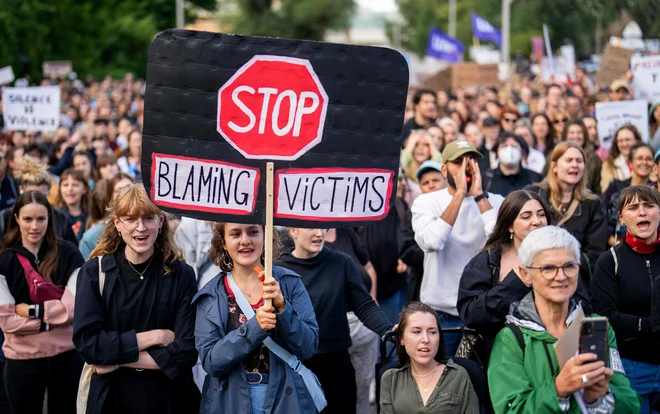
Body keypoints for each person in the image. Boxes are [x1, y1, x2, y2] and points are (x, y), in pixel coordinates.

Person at [73, 183, 200, 413]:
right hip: (112, 398)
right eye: (130, 219)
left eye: (149, 218)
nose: (140, 227)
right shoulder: (94, 272)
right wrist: (155, 336)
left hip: (168, 398)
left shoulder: (181, 274)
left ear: (161, 222)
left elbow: (185, 351)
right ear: (117, 224)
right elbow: (89, 345)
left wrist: (115, 359)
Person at [487, 226, 640, 413]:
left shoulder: (595, 327)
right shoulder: (511, 339)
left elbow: (630, 404)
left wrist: (598, 398)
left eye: (569, 266)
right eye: (548, 268)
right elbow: (510, 410)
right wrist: (558, 389)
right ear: (526, 274)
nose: (561, 277)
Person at [194, 222, 319, 414]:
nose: (245, 241)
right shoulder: (211, 294)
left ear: (265, 237)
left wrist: (283, 308)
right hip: (230, 402)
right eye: (235, 234)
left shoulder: (289, 284)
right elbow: (211, 362)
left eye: (253, 232)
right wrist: (254, 328)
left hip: (285, 398)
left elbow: (308, 346)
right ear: (224, 243)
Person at [458, 190, 591, 363]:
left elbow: (584, 308)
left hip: (557, 356)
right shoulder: (487, 260)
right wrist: (516, 282)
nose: (536, 221)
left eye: (541, 215)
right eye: (526, 216)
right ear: (510, 226)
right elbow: (471, 315)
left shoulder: (564, 257)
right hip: (502, 360)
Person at [276, 227, 392, 414]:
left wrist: (389, 331)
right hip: (296, 365)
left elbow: (363, 305)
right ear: (293, 230)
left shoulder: (341, 262)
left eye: (324, 227)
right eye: (312, 227)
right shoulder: (279, 270)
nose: (320, 233)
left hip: (337, 363)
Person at [412, 140, 504, 356]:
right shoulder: (426, 202)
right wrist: (460, 195)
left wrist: (479, 196)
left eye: (472, 160)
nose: (467, 166)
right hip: (441, 313)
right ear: (444, 169)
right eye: (459, 161)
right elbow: (433, 242)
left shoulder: (496, 202)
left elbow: (501, 244)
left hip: (483, 311)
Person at [0, 191, 85, 413]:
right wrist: (55, 319)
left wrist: (31, 311)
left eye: (41, 219)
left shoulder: (69, 254)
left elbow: (73, 310)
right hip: (22, 360)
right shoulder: (4, 261)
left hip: (66, 357)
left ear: (50, 218)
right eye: (28, 219)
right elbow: (8, 322)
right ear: (16, 218)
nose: (34, 226)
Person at [591, 185, 660, 414]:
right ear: (621, 217)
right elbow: (605, 315)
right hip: (631, 367)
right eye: (633, 207)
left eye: (649, 206)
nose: (642, 212)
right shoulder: (609, 261)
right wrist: (648, 325)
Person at [526, 142, 607, 288]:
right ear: (554, 166)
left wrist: (563, 262)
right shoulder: (532, 195)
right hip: (533, 277)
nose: (575, 165)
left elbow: (595, 255)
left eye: (579, 161)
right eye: (569, 160)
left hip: (574, 282)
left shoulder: (593, 204)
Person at [380, 302, 479, 413]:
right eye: (417, 332)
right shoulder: (391, 379)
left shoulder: (458, 375)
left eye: (432, 332)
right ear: (401, 338)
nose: (426, 339)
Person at [324, 227, 379, 414]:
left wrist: (371, 299)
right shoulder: (304, 240)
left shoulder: (345, 232)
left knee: (363, 384)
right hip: (332, 330)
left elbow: (369, 266)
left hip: (363, 324)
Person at [0, 160, 77, 245]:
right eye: (30, 197)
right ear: (21, 190)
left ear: (49, 191)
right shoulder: (5, 218)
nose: (36, 203)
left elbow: (70, 252)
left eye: (41, 198)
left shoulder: (61, 219)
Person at [399, 161, 445, 303]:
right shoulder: (412, 213)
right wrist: (435, 250)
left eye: (435, 180)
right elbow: (405, 249)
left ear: (446, 181)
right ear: (420, 187)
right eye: (426, 182)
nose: (431, 185)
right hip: (422, 284)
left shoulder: (460, 207)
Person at [602, 143, 656, 246]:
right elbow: (601, 216)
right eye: (640, 158)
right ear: (631, 163)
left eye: (649, 159)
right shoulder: (615, 187)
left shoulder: (656, 192)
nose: (644, 162)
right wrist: (612, 241)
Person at [79, 172, 133, 259]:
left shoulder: (148, 227)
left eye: (129, 188)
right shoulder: (92, 237)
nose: (125, 194)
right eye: (119, 190)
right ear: (110, 198)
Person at [482, 132, 543, 197]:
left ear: (522, 151)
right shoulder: (486, 178)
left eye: (514, 146)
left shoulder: (535, 178)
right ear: (497, 152)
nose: (509, 150)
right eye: (504, 146)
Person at [560, 119, 602, 195]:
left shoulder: (594, 159)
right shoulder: (556, 155)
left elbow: (597, 188)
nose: (576, 136)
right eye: (571, 133)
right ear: (565, 135)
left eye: (579, 133)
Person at [601, 125, 643, 193]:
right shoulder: (609, 164)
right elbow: (606, 192)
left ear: (636, 140)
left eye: (628, 140)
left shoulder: (646, 161)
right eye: (620, 141)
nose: (624, 144)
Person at [55, 168, 90, 242]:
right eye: (65, 185)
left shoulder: (92, 216)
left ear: (84, 189)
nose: (70, 189)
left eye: (75, 185)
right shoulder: (55, 217)